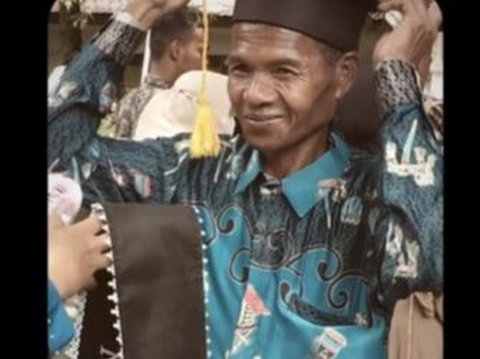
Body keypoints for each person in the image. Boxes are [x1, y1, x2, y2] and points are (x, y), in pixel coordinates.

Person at [48, 0, 443, 357]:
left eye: (284, 71)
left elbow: (426, 260)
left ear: (343, 76)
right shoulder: (189, 171)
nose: (254, 94)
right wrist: (136, 17)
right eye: (240, 69)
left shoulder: (376, 190)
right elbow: (57, 157)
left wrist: (396, 76)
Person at [113, 6, 203, 138]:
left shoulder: (130, 102)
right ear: (176, 50)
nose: (206, 62)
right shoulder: (186, 105)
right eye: (201, 51)